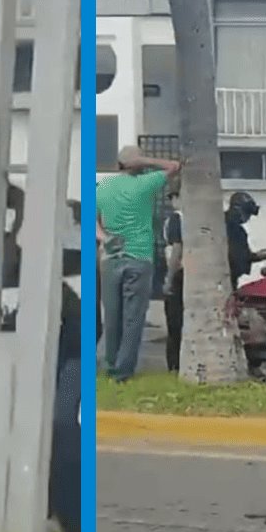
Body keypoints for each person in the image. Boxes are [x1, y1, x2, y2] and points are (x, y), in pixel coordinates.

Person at [96, 145, 180, 382]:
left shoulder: (103, 186)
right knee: (133, 318)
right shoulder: (145, 184)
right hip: (139, 257)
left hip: (110, 259)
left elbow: (92, 222)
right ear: (138, 165)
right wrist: (144, 159)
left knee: (112, 317)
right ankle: (123, 371)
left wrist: (105, 238)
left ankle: (111, 364)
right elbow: (174, 167)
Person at [224, 191, 266, 291]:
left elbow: (240, 254)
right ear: (238, 210)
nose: (248, 218)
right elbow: (236, 257)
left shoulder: (230, 226)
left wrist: (257, 256)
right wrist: (258, 256)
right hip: (227, 277)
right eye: (247, 214)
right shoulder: (233, 229)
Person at [162, 190, 184, 373]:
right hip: (187, 273)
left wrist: (169, 278)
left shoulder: (176, 219)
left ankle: (174, 364)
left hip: (178, 272)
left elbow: (177, 248)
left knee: (174, 323)